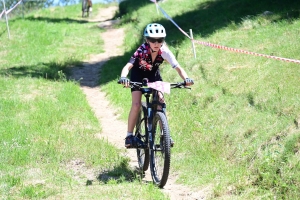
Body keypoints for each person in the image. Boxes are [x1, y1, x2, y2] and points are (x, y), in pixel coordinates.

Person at [119, 23, 194, 148]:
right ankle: (129, 136)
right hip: (138, 76)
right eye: (153, 40)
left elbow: (178, 68)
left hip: (154, 76)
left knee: (161, 100)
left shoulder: (165, 51)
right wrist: (123, 78)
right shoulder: (141, 50)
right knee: (136, 104)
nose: (156, 43)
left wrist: (186, 78)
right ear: (147, 40)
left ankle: (165, 135)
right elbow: (128, 66)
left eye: (160, 40)